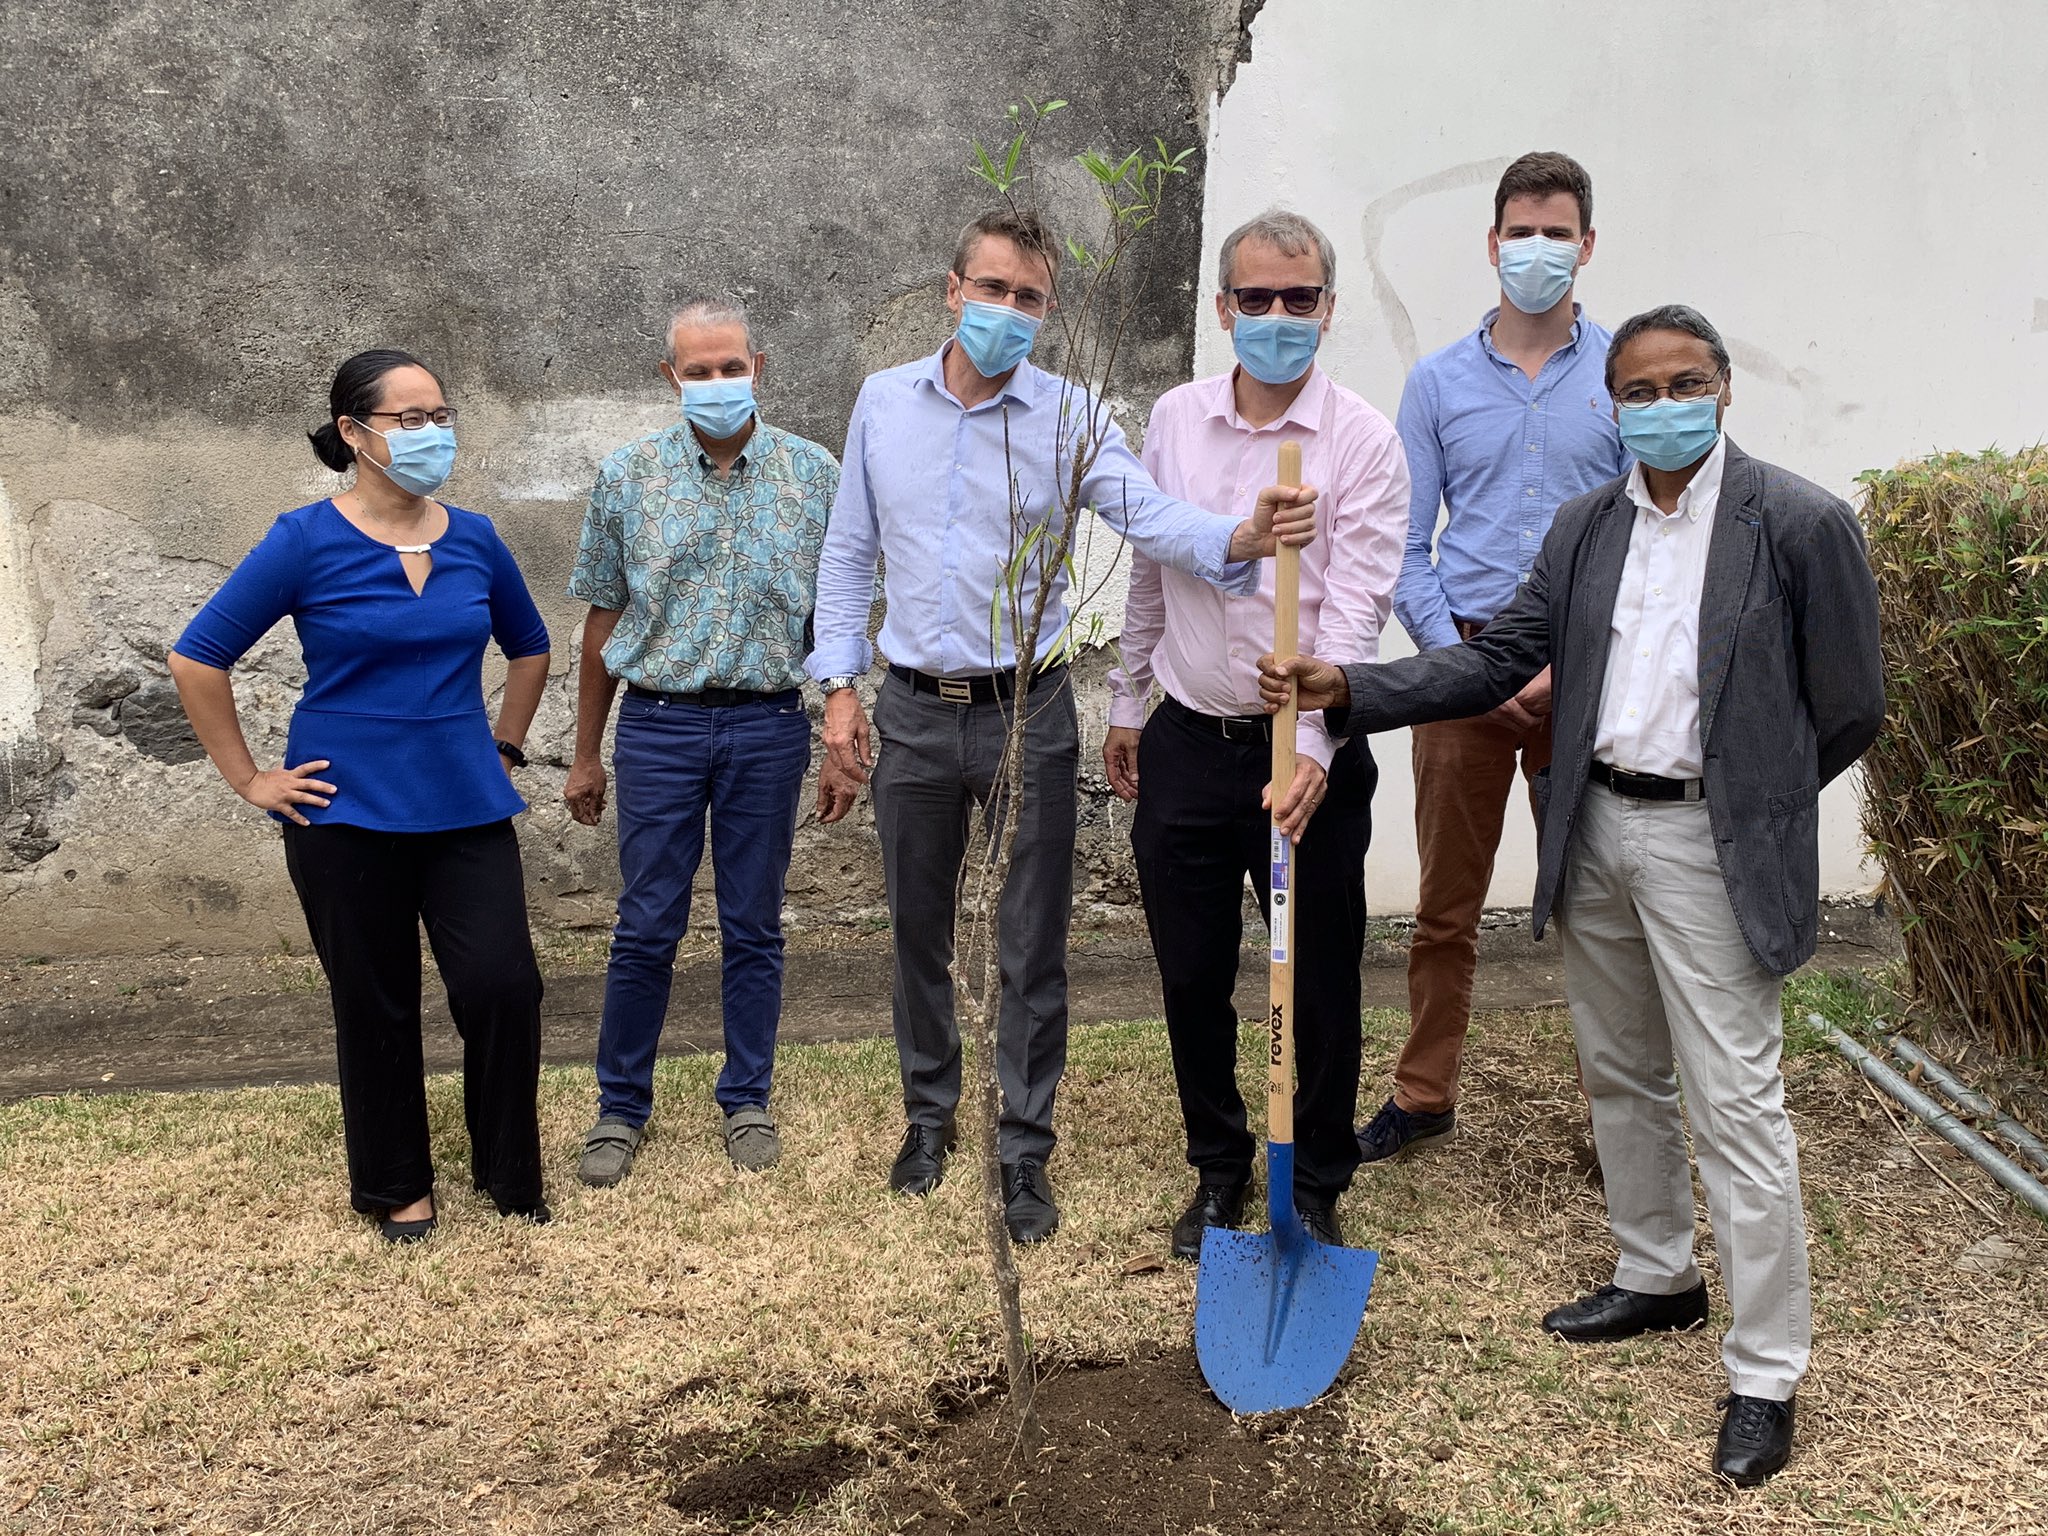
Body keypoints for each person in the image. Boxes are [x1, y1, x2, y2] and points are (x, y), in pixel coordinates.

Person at [1257, 305, 1884, 1485]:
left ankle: (1764, 1369)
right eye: (1638, 391)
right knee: (1620, 1068)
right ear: (1611, 405)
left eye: (1681, 383)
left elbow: (1848, 703)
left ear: (1724, 388)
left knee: (1735, 1104)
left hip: (1708, 840)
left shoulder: (1796, 523)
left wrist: (1750, 801)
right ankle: (1657, 1276)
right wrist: (1349, 685)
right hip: (1591, 825)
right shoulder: (1585, 526)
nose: (1660, 405)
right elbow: (1498, 663)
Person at [808, 208, 1319, 1245]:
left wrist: (1235, 536)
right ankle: (927, 1118)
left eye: (1028, 299)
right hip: (908, 707)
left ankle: (1021, 1147)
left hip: (1025, 709)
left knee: (1030, 942)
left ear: (1047, 312)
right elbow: (847, 549)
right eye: (991, 290)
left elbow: (1142, 512)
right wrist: (840, 688)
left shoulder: (1071, 414)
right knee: (917, 928)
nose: (1007, 312)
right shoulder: (879, 404)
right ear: (951, 292)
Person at [168, 348, 554, 1243]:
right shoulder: (303, 539)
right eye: (408, 419)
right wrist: (249, 776)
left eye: (440, 415)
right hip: (342, 813)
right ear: (353, 432)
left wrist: (503, 744)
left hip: (466, 806)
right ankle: (396, 1186)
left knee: (504, 987)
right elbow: (197, 657)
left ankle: (508, 1170)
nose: (431, 434)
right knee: (374, 1001)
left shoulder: (477, 537)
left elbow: (529, 646)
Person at [1104, 209, 1408, 1258]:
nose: (1278, 317)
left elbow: (1356, 607)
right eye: (1257, 299)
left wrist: (1316, 748)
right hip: (1191, 735)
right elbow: (1151, 562)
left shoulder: (1361, 440)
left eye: (1299, 299)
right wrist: (1125, 699)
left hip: (1305, 746)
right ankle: (1218, 1169)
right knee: (1192, 972)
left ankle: (1314, 1176)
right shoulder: (1176, 421)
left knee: (1315, 972)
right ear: (1223, 308)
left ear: (1326, 309)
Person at [1366, 150, 1630, 1163]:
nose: (1535, 251)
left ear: (1585, 247)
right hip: (1463, 666)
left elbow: (1633, 541)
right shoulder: (1434, 384)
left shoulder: (1619, 378)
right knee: (1444, 907)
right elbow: (1402, 544)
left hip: (1584, 678)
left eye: (1554, 233)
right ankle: (1423, 1092)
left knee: (1597, 905)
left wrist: (1568, 662)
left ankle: (1615, 1110)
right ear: (1489, 244)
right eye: (1519, 232)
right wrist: (1463, 663)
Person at [564, 297, 851, 1185]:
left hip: (768, 725)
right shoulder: (627, 478)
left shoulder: (815, 475)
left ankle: (748, 1097)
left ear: (757, 367)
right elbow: (602, 621)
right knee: (646, 922)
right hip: (658, 725)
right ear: (670, 376)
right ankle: (620, 1107)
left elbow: (834, 614)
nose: (718, 382)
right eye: (699, 370)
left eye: (732, 367)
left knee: (753, 924)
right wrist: (585, 750)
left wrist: (843, 717)